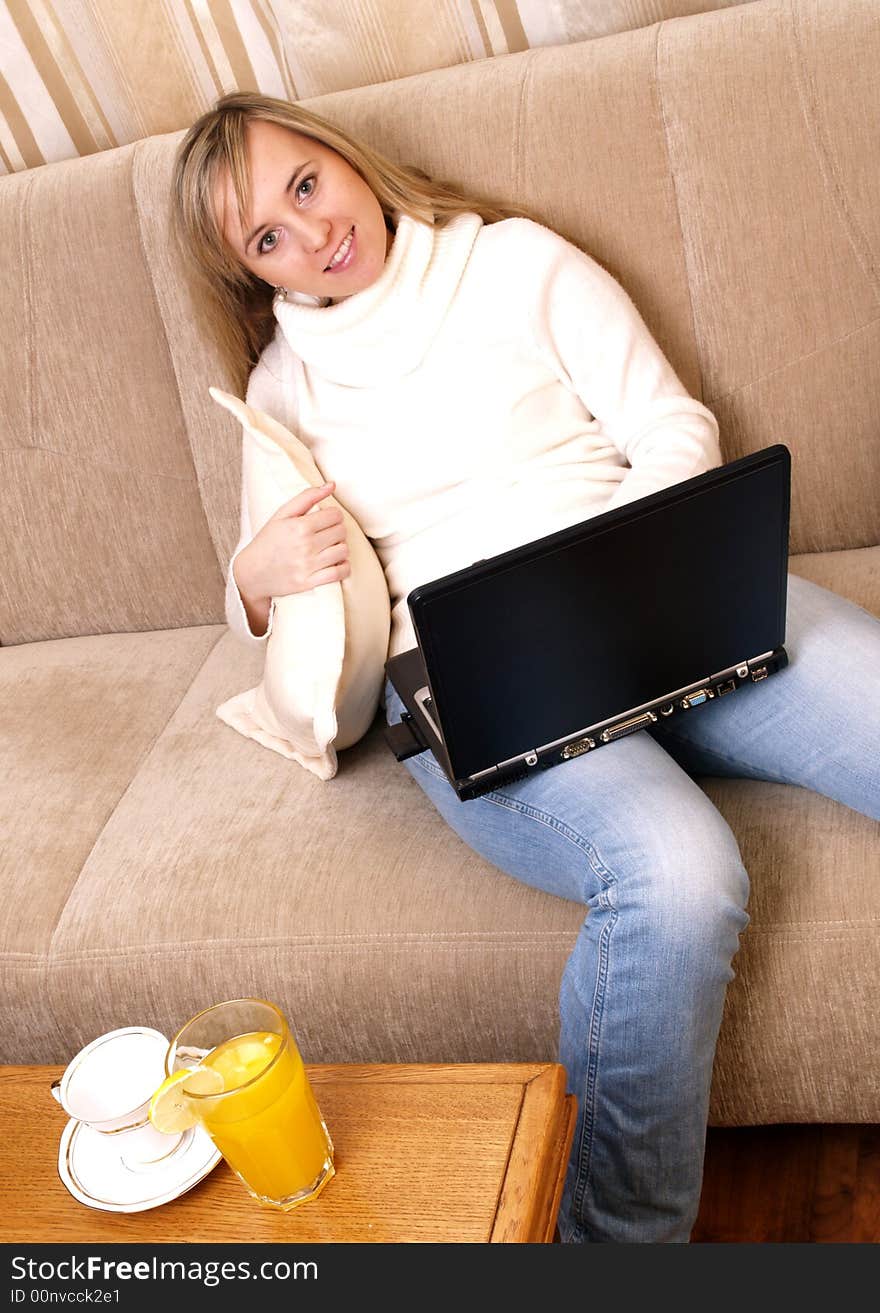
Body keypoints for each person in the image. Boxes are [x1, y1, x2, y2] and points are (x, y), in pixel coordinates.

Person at [172, 92, 880, 1243]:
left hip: (660, 590)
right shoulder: (279, 398)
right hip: (473, 676)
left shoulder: (515, 262)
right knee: (678, 868)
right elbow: (328, 682)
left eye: (304, 186)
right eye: (267, 238)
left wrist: (628, 583)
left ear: (338, 156)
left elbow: (672, 429)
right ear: (252, 273)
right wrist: (251, 583)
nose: (310, 237)